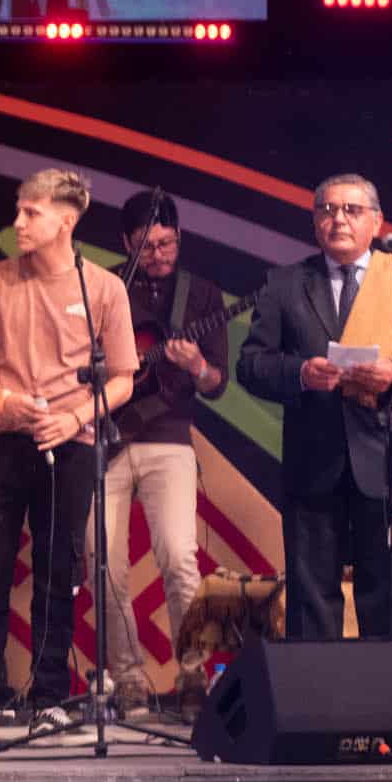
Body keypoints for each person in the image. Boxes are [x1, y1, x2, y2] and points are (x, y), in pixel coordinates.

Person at [0, 169, 137, 747]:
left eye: (31, 213)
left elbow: (124, 379)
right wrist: (3, 400)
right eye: (19, 210)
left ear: (66, 220)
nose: (19, 223)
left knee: (59, 570)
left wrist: (76, 416)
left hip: (70, 441)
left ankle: (50, 696)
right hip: (0, 440)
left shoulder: (102, 289)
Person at [236, 175, 392, 640]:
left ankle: (388, 710)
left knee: (389, 595)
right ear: (314, 221)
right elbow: (251, 366)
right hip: (313, 464)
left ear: (377, 222)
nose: (338, 218)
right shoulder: (285, 284)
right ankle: (317, 710)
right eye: (327, 209)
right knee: (311, 598)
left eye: (352, 210)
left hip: (386, 463)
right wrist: (300, 373)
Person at [91, 191, 230, 714]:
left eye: (167, 244)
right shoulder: (104, 288)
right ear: (126, 243)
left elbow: (216, 383)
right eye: (147, 246)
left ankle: (193, 676)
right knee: (103, 564)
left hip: (169, 439)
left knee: (178, 556)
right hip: (104, 440)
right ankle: (127, 680)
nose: (159, 255)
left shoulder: (201, 295)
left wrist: (195, 365)